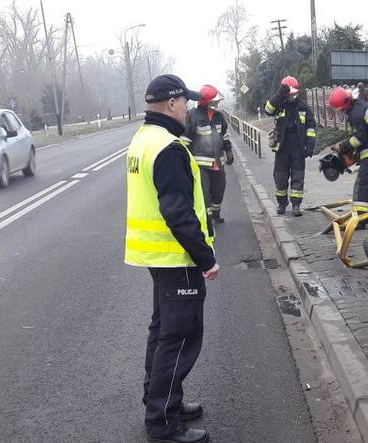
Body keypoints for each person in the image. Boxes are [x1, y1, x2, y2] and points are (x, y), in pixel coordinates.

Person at [125, 74, 219, 443]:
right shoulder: (168, 148)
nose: (190, 109)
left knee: (162, 333)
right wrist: (205, 258)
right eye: (186, 103)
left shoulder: (144, 139)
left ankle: (163, 403)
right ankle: (163, 424)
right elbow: (178, 212)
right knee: (179, 338)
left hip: (158, 255)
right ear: (172, 104)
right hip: (176, 257)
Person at [328, 86, 368, 219]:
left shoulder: (356, 113)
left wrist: (342, 147)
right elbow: (360, 135)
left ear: (344, 106)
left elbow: (359, 139)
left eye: (338, 109)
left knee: (362, 184)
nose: (338, 112)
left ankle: (359, 218)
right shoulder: (358, 107)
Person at [263, 75, 317, 216]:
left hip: (298, 148)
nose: (293, 97)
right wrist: (279, 95)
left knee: (298, 177)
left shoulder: (303, 107)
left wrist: (310, 144)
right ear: (285, 93)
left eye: (295, 94)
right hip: (282, 148)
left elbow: (311, 126)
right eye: (290, 94)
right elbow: (268, 110)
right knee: (280, 178)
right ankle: (282, 204)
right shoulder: (279, 105)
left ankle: (296, 206)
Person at [184, 85, 233, 224]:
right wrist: (185, 161)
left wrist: (228, 150)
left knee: (219, 189)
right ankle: (207, 218)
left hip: (218, 163)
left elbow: (224, 134)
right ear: (208, 102)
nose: (217, 104)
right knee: (204, 192)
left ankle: (216, 213)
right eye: (215, 101)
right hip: (201, 165)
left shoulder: (219, 116)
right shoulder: (193, 116)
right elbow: (185, 140)